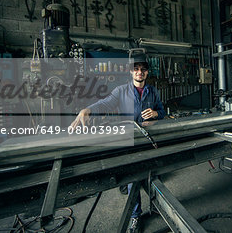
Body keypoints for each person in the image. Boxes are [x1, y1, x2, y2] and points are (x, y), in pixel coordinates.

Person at [70, 52, 165, 233]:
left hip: (147, 139)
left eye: (143, 69)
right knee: (132, 180)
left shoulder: (153, 91)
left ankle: (156, 205)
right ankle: (135, 216)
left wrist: (155, 114)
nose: (139, 72)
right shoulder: (121, 91)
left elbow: (161, 111)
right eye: (136, 69)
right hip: (128, 141)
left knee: (152, 175)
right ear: (131, 72)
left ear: (147, 73)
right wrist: (88, 110)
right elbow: (105, 104)